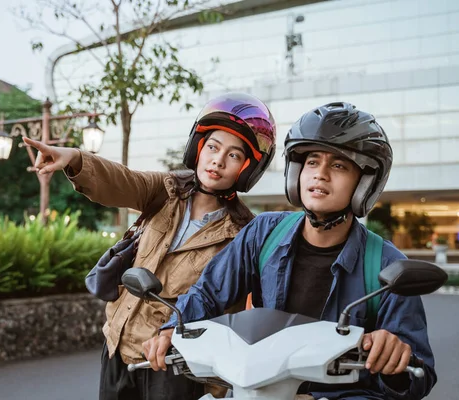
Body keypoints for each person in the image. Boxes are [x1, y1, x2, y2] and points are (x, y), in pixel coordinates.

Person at [144, 102, 437, 400]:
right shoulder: (264, 233)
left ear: (364, 183)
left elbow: (419, 377)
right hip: (254, 390)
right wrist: (171, 330)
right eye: (312, 162)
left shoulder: (386, 265)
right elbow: (208, 293)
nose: (320, 174)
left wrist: (397, 358)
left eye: (338, 165)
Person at [23, 92, 277, 400]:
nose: (218, 160)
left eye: (234, 155)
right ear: (198, 148)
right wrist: (76, 159)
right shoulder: (166, 191)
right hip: (117, 347)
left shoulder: (242, 234)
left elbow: (233, 310)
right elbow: (122, 180)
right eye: (212, 147)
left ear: (249, 168)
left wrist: (217, 386)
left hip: (174, 366)